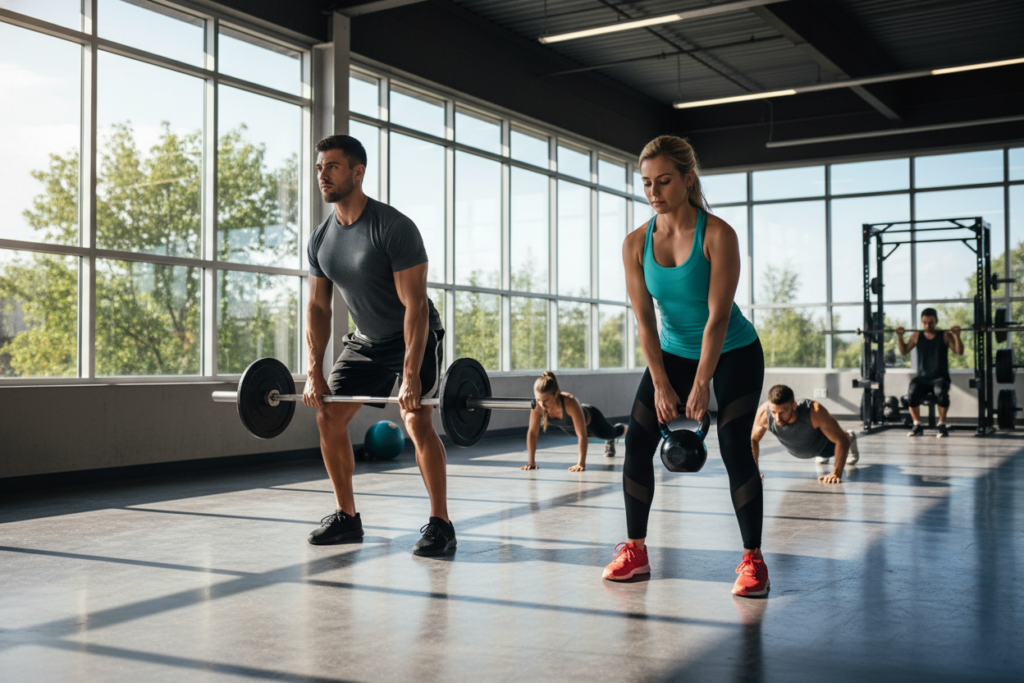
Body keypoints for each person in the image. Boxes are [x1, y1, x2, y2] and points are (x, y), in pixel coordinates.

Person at [603, 135, 768, 598]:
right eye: (646, 183)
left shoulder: (717, 235)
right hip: (673, 353)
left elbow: (718, 318)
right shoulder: (635, 244)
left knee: (734, 444)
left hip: (734, 351)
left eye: (664, 181)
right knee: (637, 439)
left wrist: (701, 385)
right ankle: (635, 551)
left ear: (688, 178)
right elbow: (644, 321)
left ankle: (753, 561)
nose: (653, 191)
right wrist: (660, 383)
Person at [303, 134, 455, 556]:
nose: (323, 175)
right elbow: (318, 307)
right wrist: (314, 370)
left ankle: (441, 523)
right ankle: (347, 517)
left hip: (413, 334)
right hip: (366, 341)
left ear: (358, 172)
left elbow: (416, 306)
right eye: (319, 168)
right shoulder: (321, 239)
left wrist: (410, 375)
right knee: (328, 416)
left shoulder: (393, 227)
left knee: (416, 419)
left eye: (332, 166)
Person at [750, 384, 859, 485]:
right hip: (803, 448)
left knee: (843, 438)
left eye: (782, 412)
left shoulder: (813, 412)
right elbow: (753, 440)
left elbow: (841, 440)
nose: (777, 418)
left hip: (826, 446)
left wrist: (836, 473)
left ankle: (850, 436)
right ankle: (819, 455)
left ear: (794, 406)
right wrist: (754, 472)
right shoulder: (764, 414)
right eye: (773, 412)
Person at [521, 371, 628, 472]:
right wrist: (531, 462)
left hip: (593, 421)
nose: (542, 405)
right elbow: (532, 432)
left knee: (612, 433)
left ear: (556, 393)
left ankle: (629, 428)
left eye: (546, 400)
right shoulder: (538, 406)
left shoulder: (569, 401)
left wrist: (581, 463)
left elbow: (582, 434)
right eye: (538, 400)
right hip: (573, 429)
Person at [896, 308, 964, 438]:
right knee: (912, 393)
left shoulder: (945, 335)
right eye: (925, 323)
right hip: (922, 378)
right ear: (922, 322)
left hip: (940, 377)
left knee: (941, 393)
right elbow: (904, 351)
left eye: (931, 322)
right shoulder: (916, 336)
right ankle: (917, 425)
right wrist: (899, 337)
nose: (928, 326)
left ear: (936, 321)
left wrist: (957, 336)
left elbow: (959, 352)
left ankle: (942, 425)